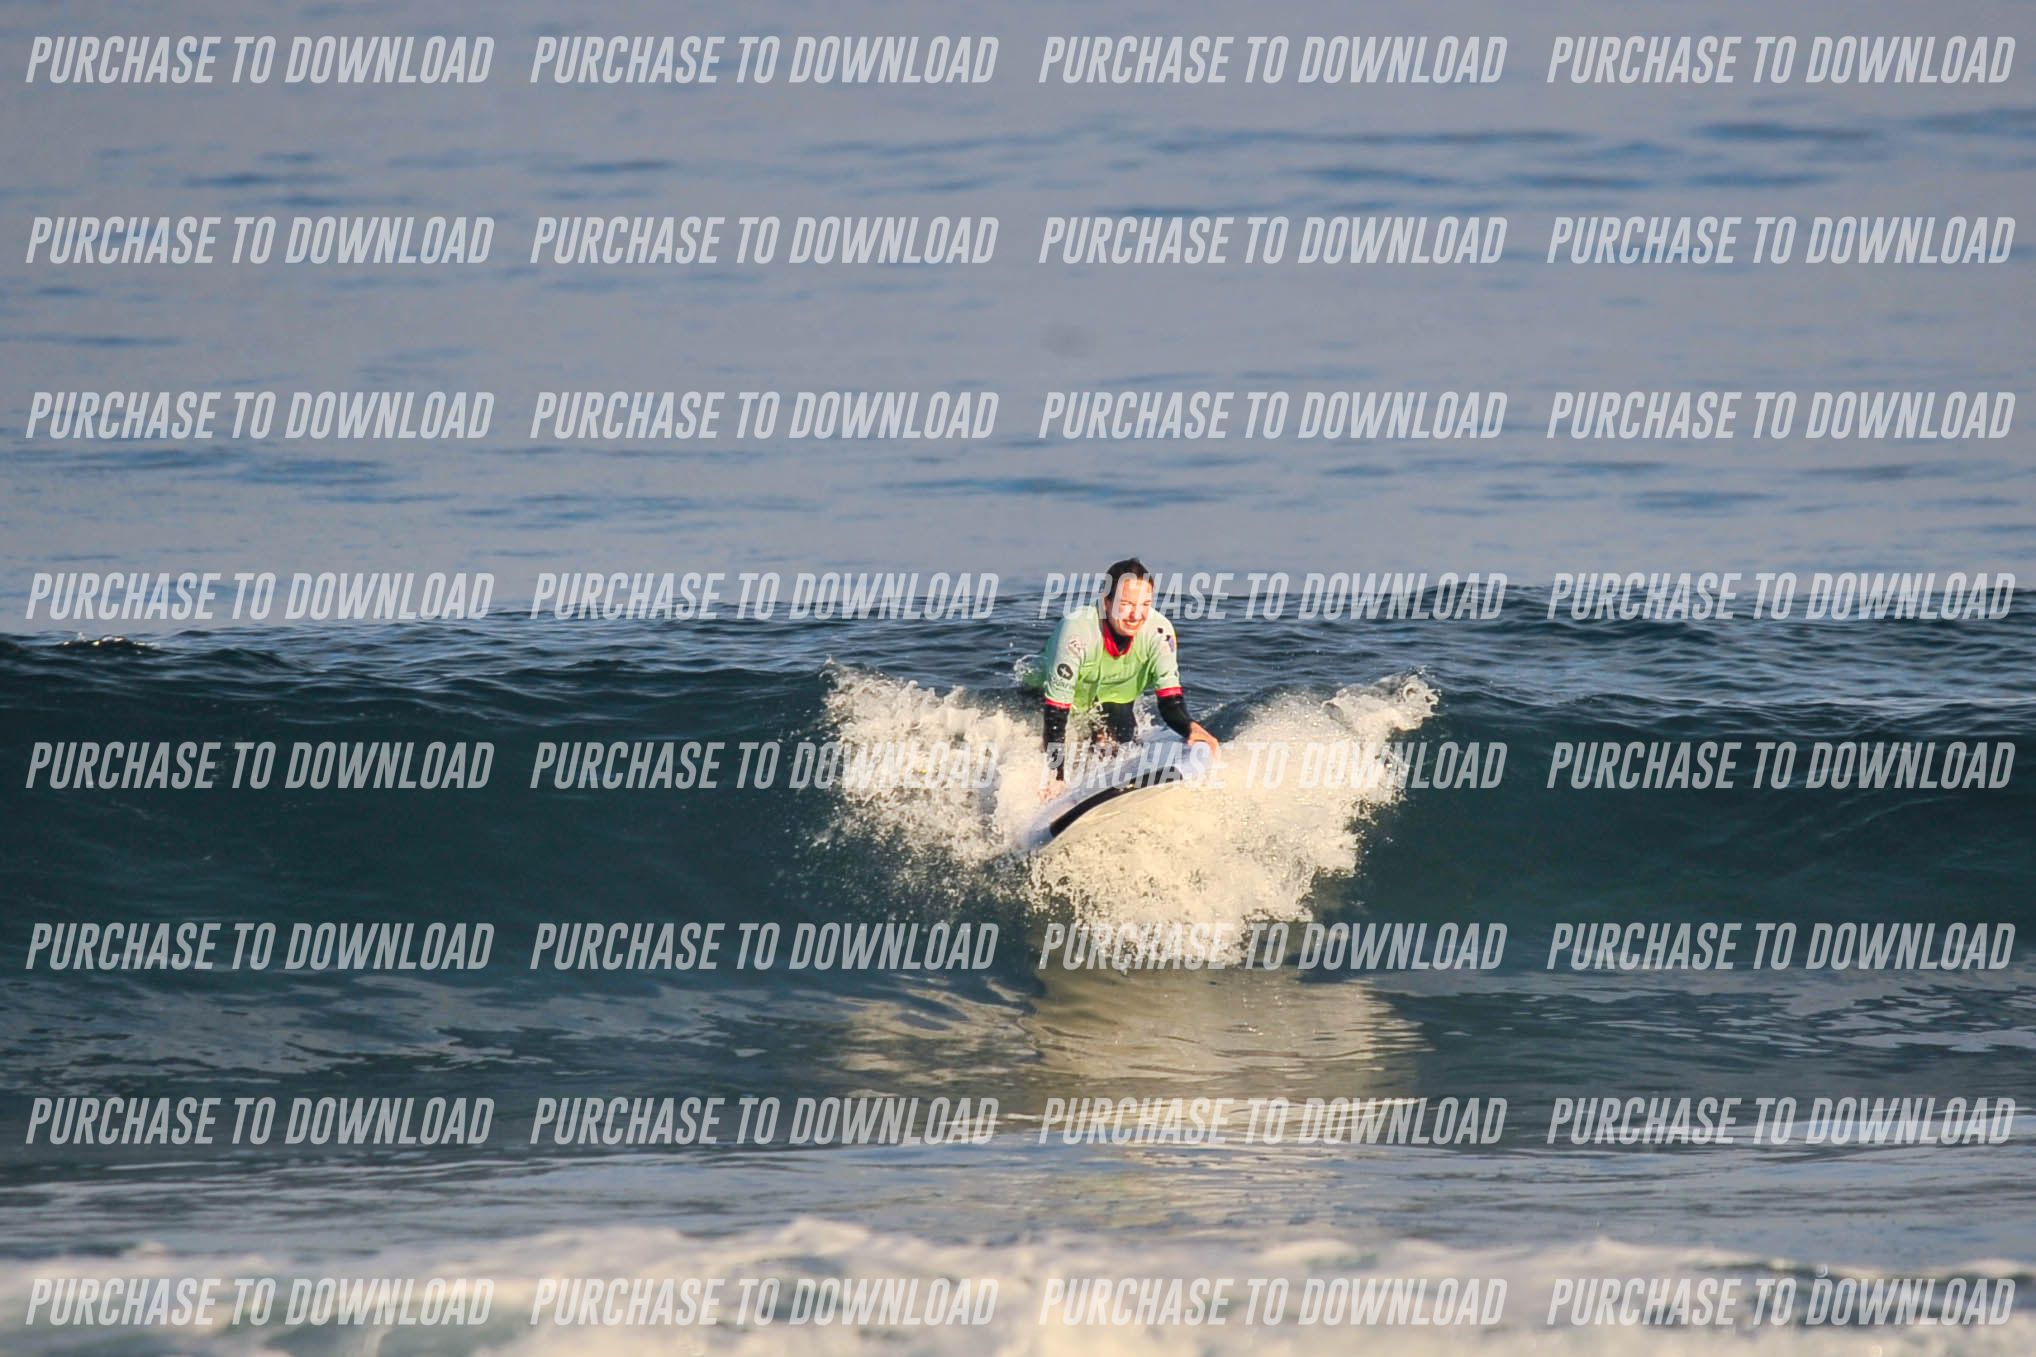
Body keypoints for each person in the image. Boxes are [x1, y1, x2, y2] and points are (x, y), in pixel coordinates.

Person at [1036, 558, 1219, 798]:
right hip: (1053, 701)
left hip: (1115, 702)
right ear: (1106, 602)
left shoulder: (1159, 633)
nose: (1136, 614)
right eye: (1126, 604)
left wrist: (1192, 728)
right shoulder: (1077, 631)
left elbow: (1171, 702)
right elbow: (1056, 713)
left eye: (1145, 604)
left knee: (1115, 749)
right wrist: (1056, 775)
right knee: (1056, 751)